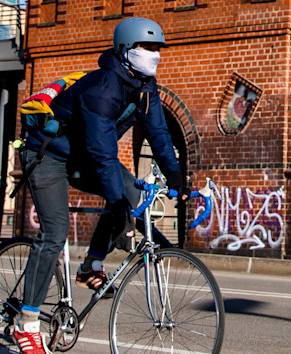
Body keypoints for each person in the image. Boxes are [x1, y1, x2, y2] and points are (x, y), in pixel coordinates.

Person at [12, 17, 189, 354]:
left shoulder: (145, 86)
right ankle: (27, 321)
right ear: (125, 51)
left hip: (82, 156)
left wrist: (178, 178)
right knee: (55, 232)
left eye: (157, 48)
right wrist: (115, 200)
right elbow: (103, 154)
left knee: (133, 196)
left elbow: (160, 133)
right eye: (146, 47)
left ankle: (91, 263)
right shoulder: (102, 88)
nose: (154, 54)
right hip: (48, 154)